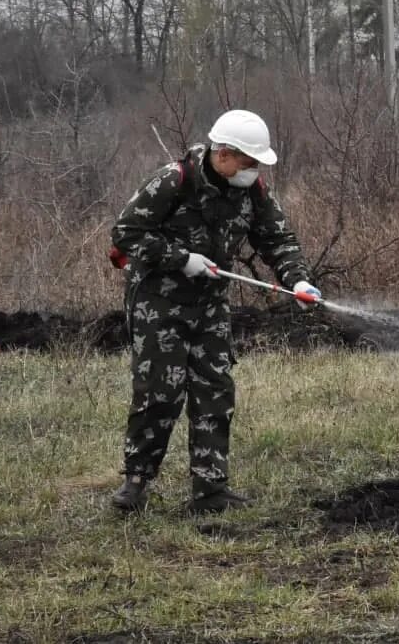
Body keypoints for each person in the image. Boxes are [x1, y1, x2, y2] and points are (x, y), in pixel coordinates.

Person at [108, 109, 320, 514]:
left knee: (215, 390)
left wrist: (297, 280)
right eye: (247, 160)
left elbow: (277, 238)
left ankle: (210, 489)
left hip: (210, 304)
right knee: (159, 391)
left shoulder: (252, 190)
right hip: (159, 301)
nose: (252, 169)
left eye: (256, 162)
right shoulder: (172, 180)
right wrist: (179, 258)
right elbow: (126, 233)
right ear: (223, 153)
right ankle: (136, 483)